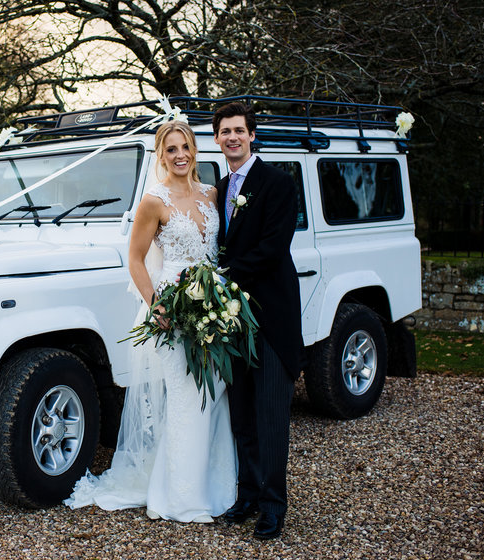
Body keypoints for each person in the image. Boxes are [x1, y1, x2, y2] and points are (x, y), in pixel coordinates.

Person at [64, 120, 237, 523]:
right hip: (173, 312)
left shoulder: (213, 194)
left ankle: (215, 488)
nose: (180, 156)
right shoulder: (153, 201)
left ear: (195, 149)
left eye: (185, 147)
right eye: (171, 149)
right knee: (184, 396)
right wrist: (156, 303)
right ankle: (179, 496)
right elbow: (136, 260)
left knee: (213, 397)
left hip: (212, 308)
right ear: (161, 155)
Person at [213, 102, 304, 540]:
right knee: (242, 416)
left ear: (252, 135)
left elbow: (272, 248)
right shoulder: (220, 185)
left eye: (239, 131)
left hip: (270, 317)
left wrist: (219, 278)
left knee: (270, 418)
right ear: (217, 139)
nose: (232, 137)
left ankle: (273, 506)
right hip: (230, 321)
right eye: (225, 131)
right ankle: (247, 495)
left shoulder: (279, 182)